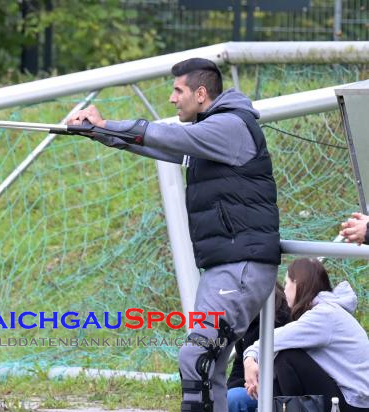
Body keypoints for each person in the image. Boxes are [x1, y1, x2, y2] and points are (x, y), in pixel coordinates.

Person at [68, 57, 281, 412]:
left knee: (196, 357)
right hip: (224, 267)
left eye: (177, 90)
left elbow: (169, 135)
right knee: (207, 370)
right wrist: (101, 133)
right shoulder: (210, 132)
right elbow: (161, 145)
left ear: (200, 93)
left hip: (240, 267)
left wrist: (106, 122)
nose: (171, 98)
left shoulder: (228, 127)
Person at [243, 258, 369, 412]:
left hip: (354, 403)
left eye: (287, 281)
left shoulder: (325, 315)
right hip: (352, 398)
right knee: (280, 356)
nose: (285, 289)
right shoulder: (327, 312)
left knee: (286, 357)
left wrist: (250, 358)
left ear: (297, 283)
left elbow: (275, 339)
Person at [226, 283, 291, 412]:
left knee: (233, 399)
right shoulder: (245, 322)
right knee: (222, 397)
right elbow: (239, 365)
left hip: (278, 390)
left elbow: (285, 365)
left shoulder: (281, 319)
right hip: (253, 387)